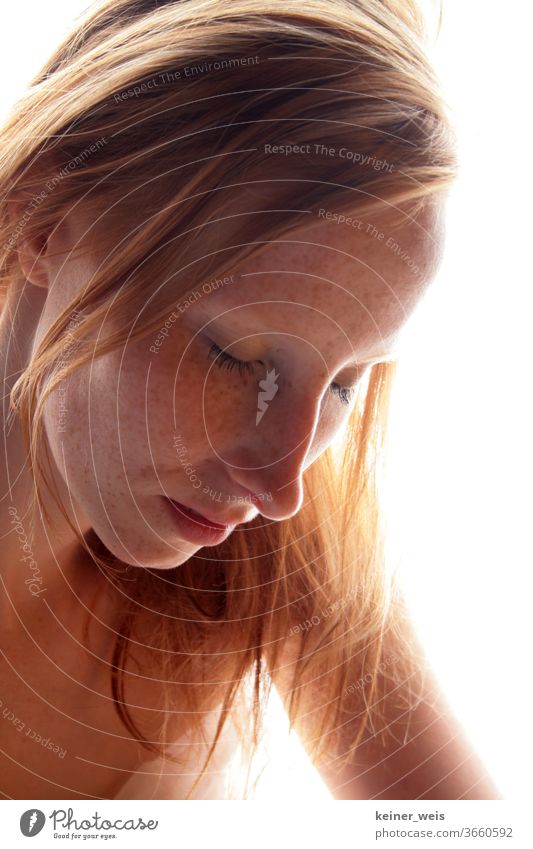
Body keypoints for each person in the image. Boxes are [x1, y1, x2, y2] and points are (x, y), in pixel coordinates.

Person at [0, 0, 500, 800]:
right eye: (232, 355)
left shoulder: (278, 558)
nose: (280, 485)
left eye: (343, 381)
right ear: (44, 220)